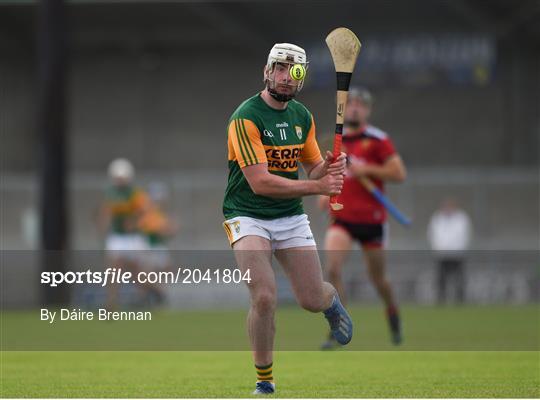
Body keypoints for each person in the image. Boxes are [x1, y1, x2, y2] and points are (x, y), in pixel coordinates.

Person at [222, 43, 352, 395]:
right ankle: (265, 381)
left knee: (311, 299)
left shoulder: (302, 117)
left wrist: (332, 166)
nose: (285, 76)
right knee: (264, 297)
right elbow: (260, 182)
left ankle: (330, 302)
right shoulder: (245, 118)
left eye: (293, 71)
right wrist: (319, 187)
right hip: (247, 215)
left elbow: (313, 169)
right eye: (279, 68)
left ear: (301, 78)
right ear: (267, 71)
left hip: (289, 218)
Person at [318, 87, 407, 349]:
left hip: (373, 220)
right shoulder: (336, 140)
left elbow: (398, 173)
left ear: (368, 110)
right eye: (351, 104)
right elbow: (328, 172)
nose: (355, 108)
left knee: (378, 280)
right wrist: (325, 192)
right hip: (342, 217)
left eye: (360, 105)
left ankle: (392, 313)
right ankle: (338, 325)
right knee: (332, 269)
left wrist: (365, 168)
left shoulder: (378, 140)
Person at [98, 158, 158, 309]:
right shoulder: (110, 193)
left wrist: (134, 221)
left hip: (134, 238)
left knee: (137, 272)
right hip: (117, 237)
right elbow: (106, 213)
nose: (120, 180)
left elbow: (145, 212)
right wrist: (103, 227)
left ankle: (150, 295)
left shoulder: (135, 194)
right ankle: (111, 302)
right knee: (113, 269)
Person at [427, 198, 472, 304]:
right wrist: (439, 248)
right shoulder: (437, 218)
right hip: (442, 254)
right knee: (441, 279)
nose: (447, 209)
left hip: (457, 254)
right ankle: (441, 300)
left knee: (459, 278)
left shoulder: (462, 218)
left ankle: (460, 300)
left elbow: (463, 235)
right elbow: (432, 235)